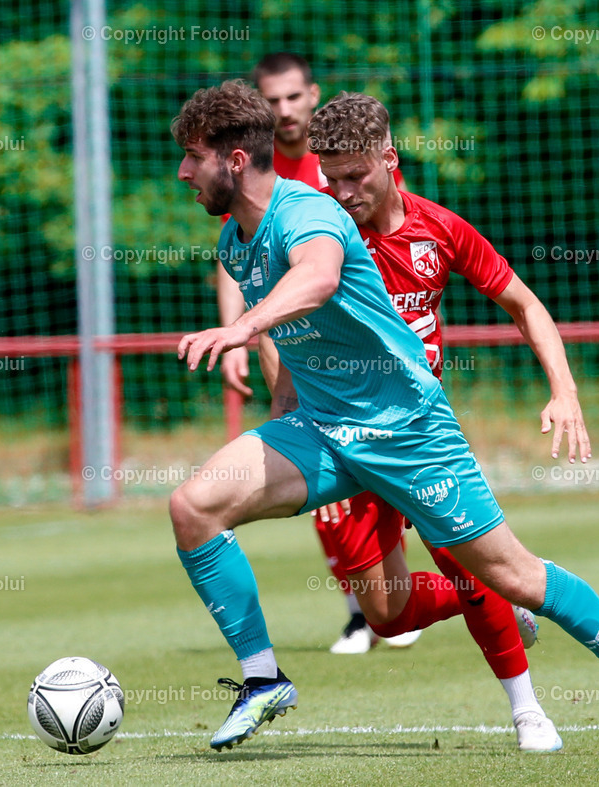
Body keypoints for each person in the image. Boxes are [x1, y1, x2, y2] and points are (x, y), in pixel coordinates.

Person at [170, 80, 599, 757]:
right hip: (323, 429)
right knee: (197, 509)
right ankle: (263, 679)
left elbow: (318, 278)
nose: (182, 172)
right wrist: (281, 412)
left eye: (192, 156)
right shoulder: (239, 240)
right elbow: (292, 339)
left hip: (408, 432)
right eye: (331, 175)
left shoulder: (316, 218)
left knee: (514, 576)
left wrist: (563, 389)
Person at [217, 52, 417, 654]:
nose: (284, 110)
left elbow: (393, 233)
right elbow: (235, 252)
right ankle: (360, 611)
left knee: (389, 479)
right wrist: (235, 334)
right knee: (318, 481)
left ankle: (420, 593)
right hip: (287, 339)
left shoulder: (341, 161)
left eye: (293, 97)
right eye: (272, 99)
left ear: (313, 95)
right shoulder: (254, 166)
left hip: (358, 341)